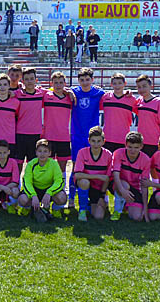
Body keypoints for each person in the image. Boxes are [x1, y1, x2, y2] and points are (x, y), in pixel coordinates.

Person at [68, 68, 104, 209]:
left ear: (92, 80)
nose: (85, 82)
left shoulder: (99, 93)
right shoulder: (73, 92)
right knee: (76, 167)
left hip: (93, 137)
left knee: (94, 167)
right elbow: (55, 89)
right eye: (82, 80)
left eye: (87, 79)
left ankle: (98, 197)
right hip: (77, 136)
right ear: (79, 81)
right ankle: (71, 198)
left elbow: (114, 94)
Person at [19, 139, 66, 221]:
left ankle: (55, 209)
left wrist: (49, 192)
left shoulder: (54, 164)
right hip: (35, 190)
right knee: (22, 199)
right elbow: (27, 182)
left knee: (62, 198)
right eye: (40, 151)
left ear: (50, 153)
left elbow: (60, 181)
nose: (42, 154)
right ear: (36, 153)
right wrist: (33, 195)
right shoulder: (31, 164)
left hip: (48, 190)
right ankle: (29, 208)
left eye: (45, 151)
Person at [73, 126, 113, 221]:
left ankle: (91, 205)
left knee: (98, 216)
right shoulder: (82, 152)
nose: (96, 144)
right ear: (89, 141)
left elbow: (107, 179)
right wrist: (97, 176)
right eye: (93, 141)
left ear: (103, 141)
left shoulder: (108, 155)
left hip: (98, 189)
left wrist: (101, 196)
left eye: (99, 141)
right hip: (86, 185)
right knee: (84, 182)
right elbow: (77, 175)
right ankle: (82, 210)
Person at [42, 72, 73, 192]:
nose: (58, 85)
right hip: (48, 137)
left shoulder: (70, 98)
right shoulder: (46, 95)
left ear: (65, 84)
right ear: (51, 84)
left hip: (63, 138)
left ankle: (62, 189)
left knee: (62, 167)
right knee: (47, 166)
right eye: (55, 82)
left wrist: (69, 92)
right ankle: (46, 189)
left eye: (61, 82)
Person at [111, 132, 151, 222]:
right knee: (124, 186)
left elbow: (144, 185)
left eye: (136, 147)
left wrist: (145, 208)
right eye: (129, 147)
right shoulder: (118, 153)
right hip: (119, 184)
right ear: (125, 145)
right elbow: (115, 174)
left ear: (141, 146)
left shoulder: (146, 160)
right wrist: (122, 191)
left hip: (134, 188)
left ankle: (126, 204)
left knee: (137, 217)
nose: (132, 150)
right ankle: (117, 211)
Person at [14, 67, 46, 172]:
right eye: (26, 79)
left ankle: (31, 184)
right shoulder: (17, 94)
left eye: (32, 78)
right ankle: (17, 184)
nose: (29, 81)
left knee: (33, 162)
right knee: (18, 161)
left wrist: (68, 91)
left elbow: (57, 90)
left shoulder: (41, 93)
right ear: (22, 81)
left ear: (36, 80)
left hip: (35, 134)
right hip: (20, 133)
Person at [100, 73, 137, 153]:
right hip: (107, 138)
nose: (117, 86)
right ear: (111, 84)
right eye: (115, 83)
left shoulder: (131, 99)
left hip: (123, 138)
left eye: (120, 83)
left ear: (125, 84)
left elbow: (141, 112)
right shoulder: (105, 97)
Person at [0, 74, 19, 163]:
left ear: (9, 86)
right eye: (0, 85)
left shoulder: (16, 102)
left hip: (10, 139)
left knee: (10, 165)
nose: (2, 87)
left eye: (5, 84)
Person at [135, 74, 160, 157]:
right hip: (141, 142)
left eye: (144, 86)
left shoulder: (159, 102)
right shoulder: (138, 101)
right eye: (139, 87)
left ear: (151, 86)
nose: (142, 89)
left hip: (154, 142)